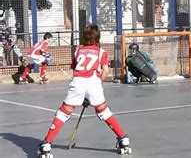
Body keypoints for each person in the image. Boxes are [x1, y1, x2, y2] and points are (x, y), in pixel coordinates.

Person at [37, 24, 131, 157]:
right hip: (94, 82)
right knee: (103, 111)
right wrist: (97, 85)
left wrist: (82, 94)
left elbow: (75, 69)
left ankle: (47, 144)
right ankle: (123, 138)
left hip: (78, 82)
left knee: (64, 112)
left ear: (84, 37)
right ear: (98, 37)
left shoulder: (78, 51)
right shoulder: (101, 51)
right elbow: (105, 70)